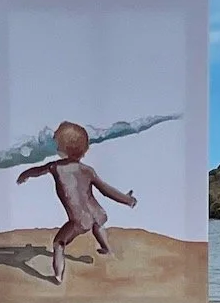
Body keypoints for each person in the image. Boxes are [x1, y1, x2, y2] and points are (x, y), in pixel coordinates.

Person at [16, 120, 137, 283]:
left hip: (79, 220)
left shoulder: (56, 167)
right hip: (97, 212)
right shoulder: (87, 170)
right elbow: (105, 190)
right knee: (98, 225)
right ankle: (107, 249)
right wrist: (127, 199)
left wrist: (25, 174)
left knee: (59, 242)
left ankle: (58, 276)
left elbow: (38, 171)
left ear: (61, 148)